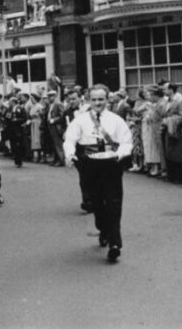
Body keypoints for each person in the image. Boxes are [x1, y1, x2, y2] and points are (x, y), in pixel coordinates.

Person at [64, 84, 132, 263]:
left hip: (111, 164)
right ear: (88, 100)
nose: (97, 103)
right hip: (90, 165)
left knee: (114, 203)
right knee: (96, 202)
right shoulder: (80, 120)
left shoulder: (116, 120)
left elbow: (126, 141)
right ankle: (103, 229)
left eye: (101, 99)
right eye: (94, 99)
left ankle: (115, 244)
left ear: (107, 99)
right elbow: (70, 138)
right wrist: (70, 154)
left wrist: (120, 154)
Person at [4, 96, 27, 167]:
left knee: (19, 145)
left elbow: (24, 118)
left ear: (13, 102)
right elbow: (6, 117)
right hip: (11, 130)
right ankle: (16, 160)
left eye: (10, 102)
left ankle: (19, 160)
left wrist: (16, 120)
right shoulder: (9, 109)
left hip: (18, 129)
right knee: (13, 145)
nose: (9, 103)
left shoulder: (21, 108)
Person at [47, 90, 66, 166]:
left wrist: (53, 120)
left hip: (56, 126)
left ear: (55, 96)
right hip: (51, 126)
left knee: (58, 144)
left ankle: (61, 160)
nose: (49, 98)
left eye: (51, 96)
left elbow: (62, 115)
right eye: (49, 96)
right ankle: (56, 159)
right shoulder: (51, 105)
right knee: (54, 144)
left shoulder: (58, 104)